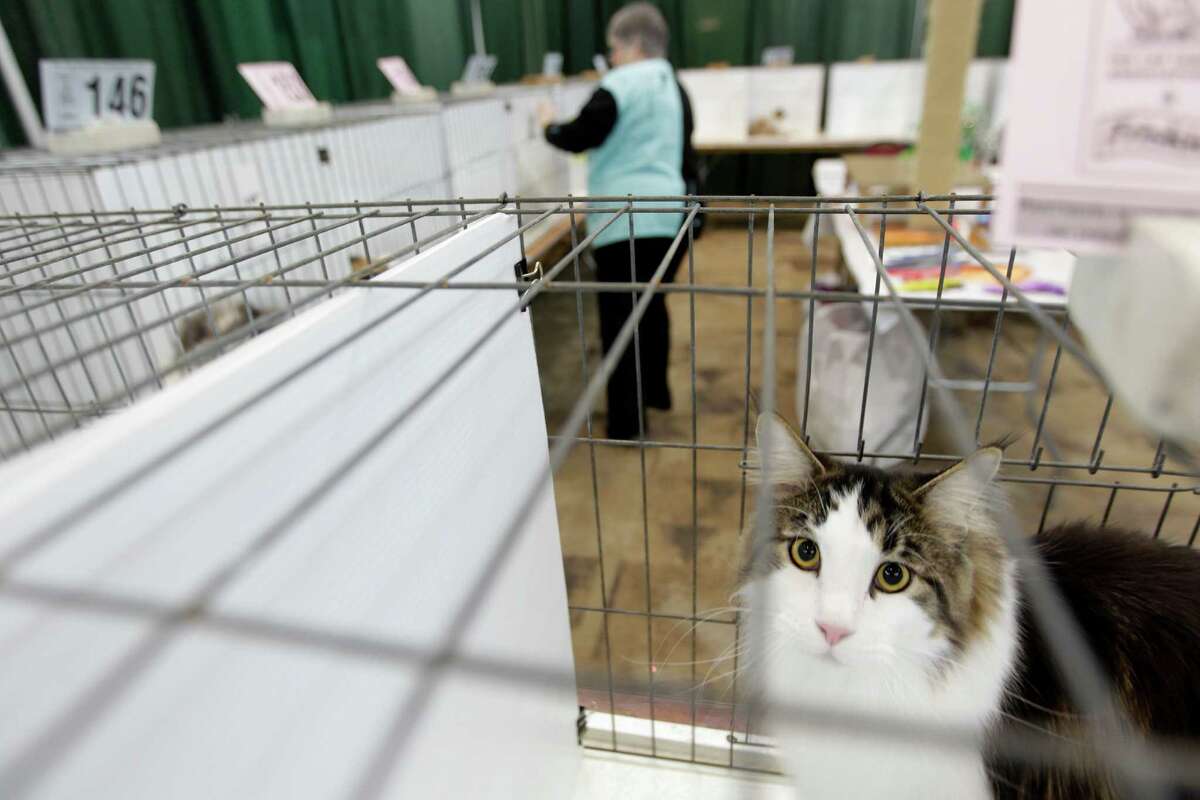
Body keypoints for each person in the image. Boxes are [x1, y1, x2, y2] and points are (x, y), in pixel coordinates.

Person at [538, 2, 699, 440]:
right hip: (669, 217)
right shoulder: (674, 86)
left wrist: (549, 127)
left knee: (619, 319)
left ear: (631, 44)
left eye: (613, 47)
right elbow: (686, 151)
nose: (611, 57)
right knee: (651, 305)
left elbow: (581, 135)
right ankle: (653, 396)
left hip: (622, 220)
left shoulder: (619, 84)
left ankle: (627, 424)